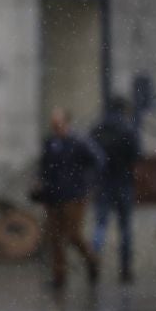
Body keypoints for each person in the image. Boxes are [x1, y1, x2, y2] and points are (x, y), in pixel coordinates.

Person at [35, 107, 104, 292]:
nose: (56, 127)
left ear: (66, 123)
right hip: (54, 196)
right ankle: (59, 277)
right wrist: (42, 184)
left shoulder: (79, 142)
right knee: (55, 238)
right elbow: (44, 166)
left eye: (58, 123)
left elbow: (97, 160)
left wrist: (85, 183)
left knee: (73, 235)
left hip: (74, 196)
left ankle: (92, 260)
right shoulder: (51, 143)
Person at [90, 96, 141, 283]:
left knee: (100, 227)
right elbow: (137, 155)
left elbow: (90, 154)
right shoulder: (128, 129)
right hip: (123, 182)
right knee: (125, 229)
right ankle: (125, 270)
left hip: (103, 183)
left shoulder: (98, 128)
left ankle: (93, 261)